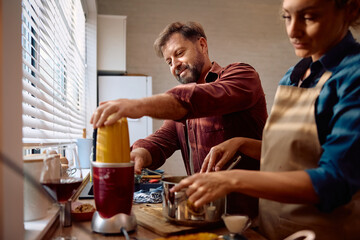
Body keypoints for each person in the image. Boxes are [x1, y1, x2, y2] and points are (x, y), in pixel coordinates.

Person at [171, 1, 360, 239]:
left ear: (351, 9)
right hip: (274, 229)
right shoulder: (293, 76)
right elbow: (292, 157)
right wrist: (241, 143)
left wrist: (233, 179)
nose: (293, 31)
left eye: (309, 17)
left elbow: (336, 181)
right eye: (286, 17)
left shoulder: (353, 77)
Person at [90, 21, 268, 216]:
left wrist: (137, 106)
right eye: (169, 61)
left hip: (250, 216)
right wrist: (140, 153)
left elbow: (199, 99)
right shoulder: (181, 114)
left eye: (179, 53)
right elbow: (161, 140)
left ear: (202, 45)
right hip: (206, 214)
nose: (175, 65)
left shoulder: (242, 75)